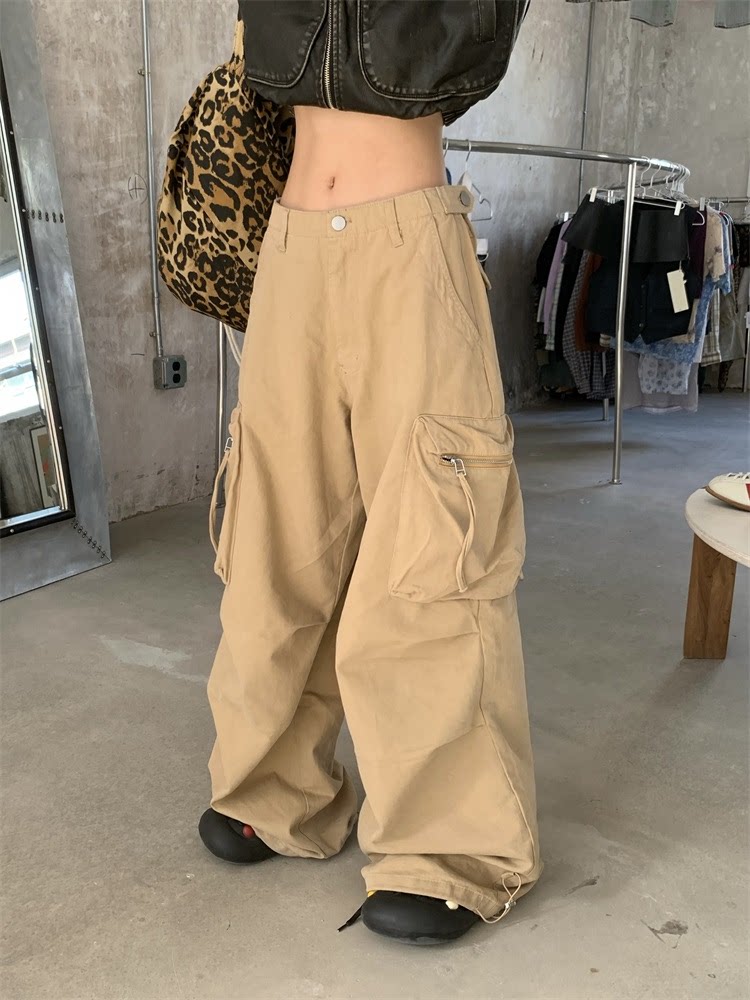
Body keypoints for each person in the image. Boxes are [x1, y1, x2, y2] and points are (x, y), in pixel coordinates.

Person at [200, 0, 541, 946]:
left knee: (432, 551)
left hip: (410, 247)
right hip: (291, 248)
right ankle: (274, 789)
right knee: (273, 537)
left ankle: (449, 849)